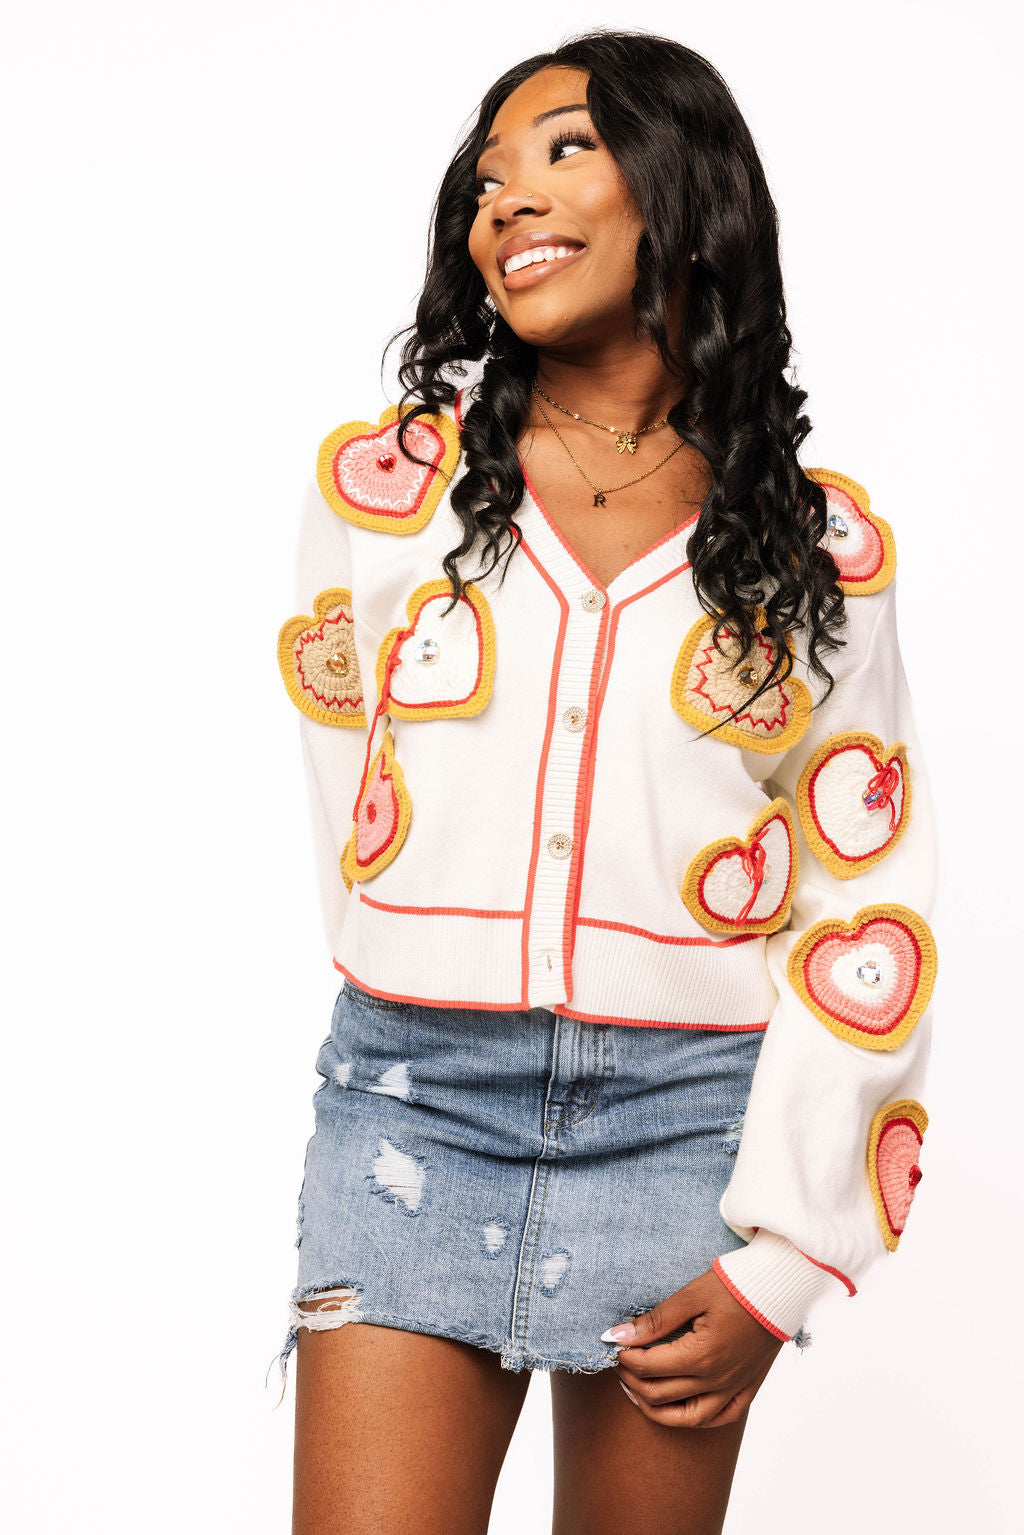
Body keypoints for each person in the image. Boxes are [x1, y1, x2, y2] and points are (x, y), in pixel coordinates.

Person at [270, 27, 938, 1535]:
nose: (506, 200)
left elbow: (866, 903)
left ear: (683, 193)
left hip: (686, 1132)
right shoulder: (397, 494)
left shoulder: (818, 555)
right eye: (485, 180)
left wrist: (789, 1257)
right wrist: (427, 955)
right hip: (414, 1107)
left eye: (564, 149)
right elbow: (349, 786)